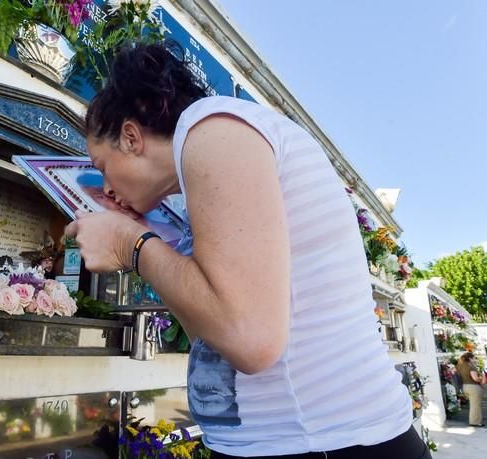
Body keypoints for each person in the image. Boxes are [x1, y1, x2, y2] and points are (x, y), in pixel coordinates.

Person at [66, 43, 430, 458]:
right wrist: (149, 238)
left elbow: (250, 339)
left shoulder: (212, 129)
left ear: (131, 137)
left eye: (101, 165)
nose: (105, 187)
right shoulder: (205, 159)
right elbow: (214, 320)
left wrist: (129, 244)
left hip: (331, 443)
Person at [456, 352, 486, 427]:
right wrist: (482, 378)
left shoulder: (459, 366)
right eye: (474, 358)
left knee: (473, 405)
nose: (474, 360)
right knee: (475, 406)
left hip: (464, 386)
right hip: (473, 387)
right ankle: (475, 422)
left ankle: (474, 421)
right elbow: (475, 378)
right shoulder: (471, 367)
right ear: (470, 358)